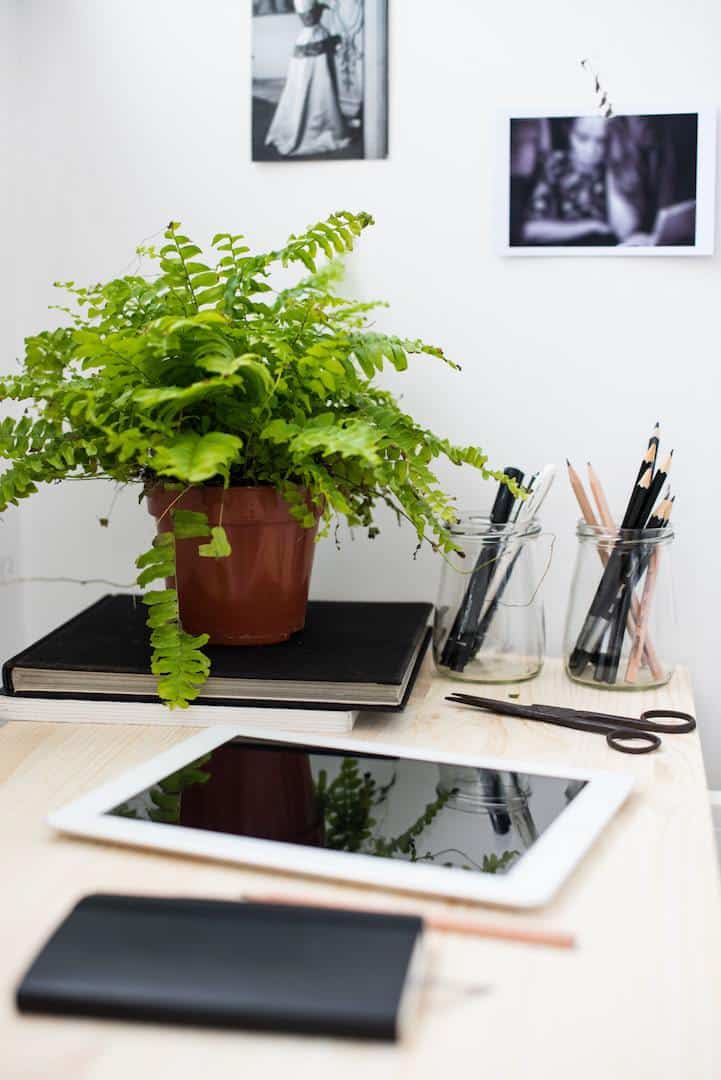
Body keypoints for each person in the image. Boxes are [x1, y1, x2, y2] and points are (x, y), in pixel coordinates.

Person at [522, 116, 644, 245]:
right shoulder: (555, 165)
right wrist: (591, 227)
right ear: (570, 134)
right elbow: (529, 231)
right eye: (582, 138)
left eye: (601, 141)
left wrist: (613, 165)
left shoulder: (618, 168)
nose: (591, 150)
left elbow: (625, 232)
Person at [265, 0, 350, 157]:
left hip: (313, 37)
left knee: (315, 86)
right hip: (313, 38)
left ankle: (322, 125)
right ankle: (317, 130)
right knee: (316, 87)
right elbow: (312, 15)